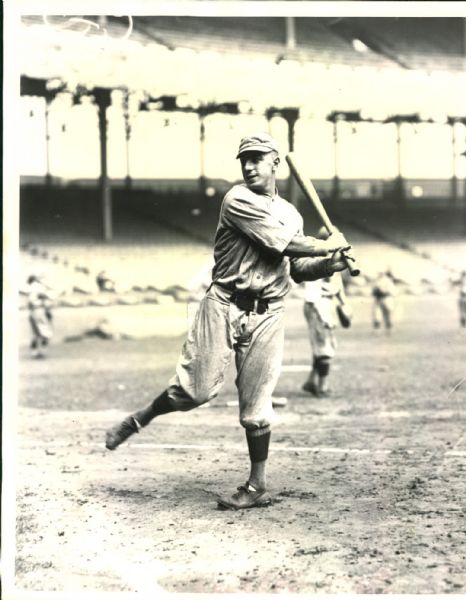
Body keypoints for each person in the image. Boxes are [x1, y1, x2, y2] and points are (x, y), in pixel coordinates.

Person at [105, 132, 352, 510]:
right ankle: (140, 418)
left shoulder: (291, 213)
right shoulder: (236, 199)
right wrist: (328, 243)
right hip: (223, 305)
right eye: (244, 160)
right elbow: (282, 244)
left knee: (257, 405)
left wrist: (328, 264)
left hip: (268, 312)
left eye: (257, 158)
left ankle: (256, 485)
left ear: (275, 164)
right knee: (194, 392)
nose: (249, 166)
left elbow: (298, 269)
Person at [302, 241, 351, 397]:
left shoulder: (335, 264)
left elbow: (339, 289)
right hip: (317, 304)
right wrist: (321, 315)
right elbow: (312, 296)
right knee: (324, 348)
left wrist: (344, 306)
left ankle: (311, 381)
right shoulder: (317, 263)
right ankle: (322, 386)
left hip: (327, 304)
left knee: (326, 345)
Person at [23, 274, 54, 358]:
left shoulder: (31, 288)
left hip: (33, 311)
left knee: (35, 333)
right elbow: (43, 296)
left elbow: (31, 301)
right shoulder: (37, 287)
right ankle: (41, 351)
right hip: (39, 310)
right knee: (45, 332)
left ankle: (35, 352)